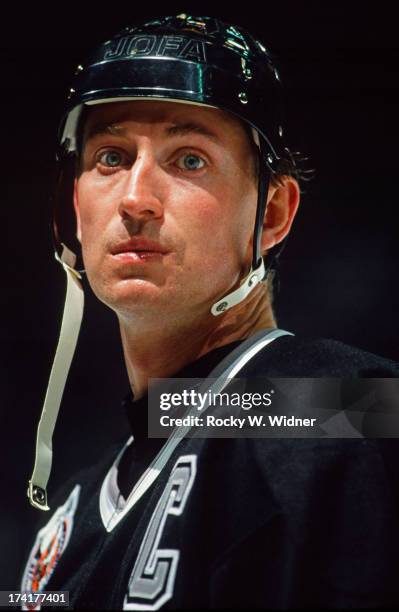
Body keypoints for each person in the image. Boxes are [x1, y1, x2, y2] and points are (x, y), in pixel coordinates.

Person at [21, 14, 399, 610]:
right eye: (112, 158)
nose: (136, 200)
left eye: (189, 159)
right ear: (74, 205)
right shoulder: (61, 527)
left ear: (272, 215)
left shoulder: (348, 408)